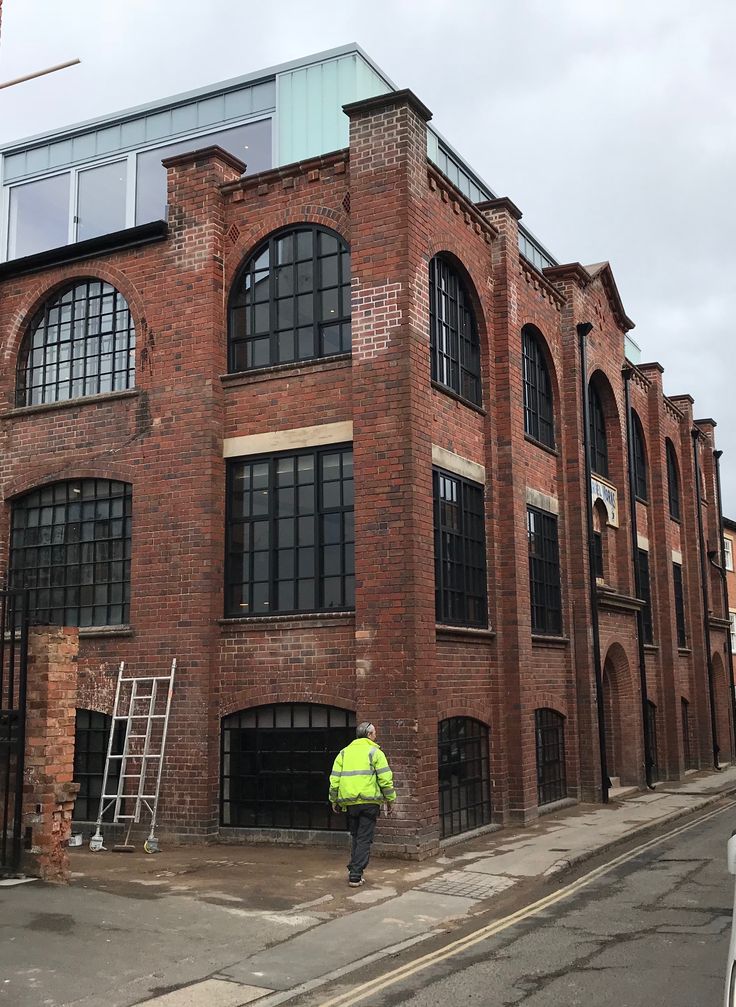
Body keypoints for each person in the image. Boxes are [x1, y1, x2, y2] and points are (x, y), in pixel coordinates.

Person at [329, 722, 396, 887]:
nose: (376, 736)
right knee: (365, 838)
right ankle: (355, 874)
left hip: (350, 803)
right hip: (369, 802)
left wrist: (334, 799)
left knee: (356, 836)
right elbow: (385, 780)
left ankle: (354, 868)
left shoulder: (344, 753)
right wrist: (390, 799)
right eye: (374, 734)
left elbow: (334, 779)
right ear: (369, 735)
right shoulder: (375, 752)